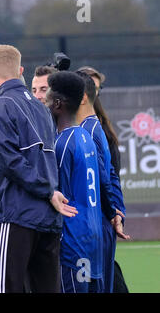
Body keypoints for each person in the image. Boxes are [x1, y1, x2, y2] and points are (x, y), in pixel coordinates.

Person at [0, 45, 77, 293]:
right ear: (21, 70)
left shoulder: (0, 106)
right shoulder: (43, 109)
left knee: (4, 288)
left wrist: (46, 191)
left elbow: (10, 161)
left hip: (17, 216)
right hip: (49, 219)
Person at [46, 71, 104, 293]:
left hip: (72, 243)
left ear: (58, 104)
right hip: (92, 238)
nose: (45, 104)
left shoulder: (61, 144)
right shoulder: (85, 136)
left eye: (48, 99)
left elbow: (56, 193)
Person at [75, 70, 130, 293]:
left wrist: (114, 211)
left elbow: (107, 178)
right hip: (93, 224)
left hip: (90, 226)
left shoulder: (91, 131)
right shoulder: (91, 128)